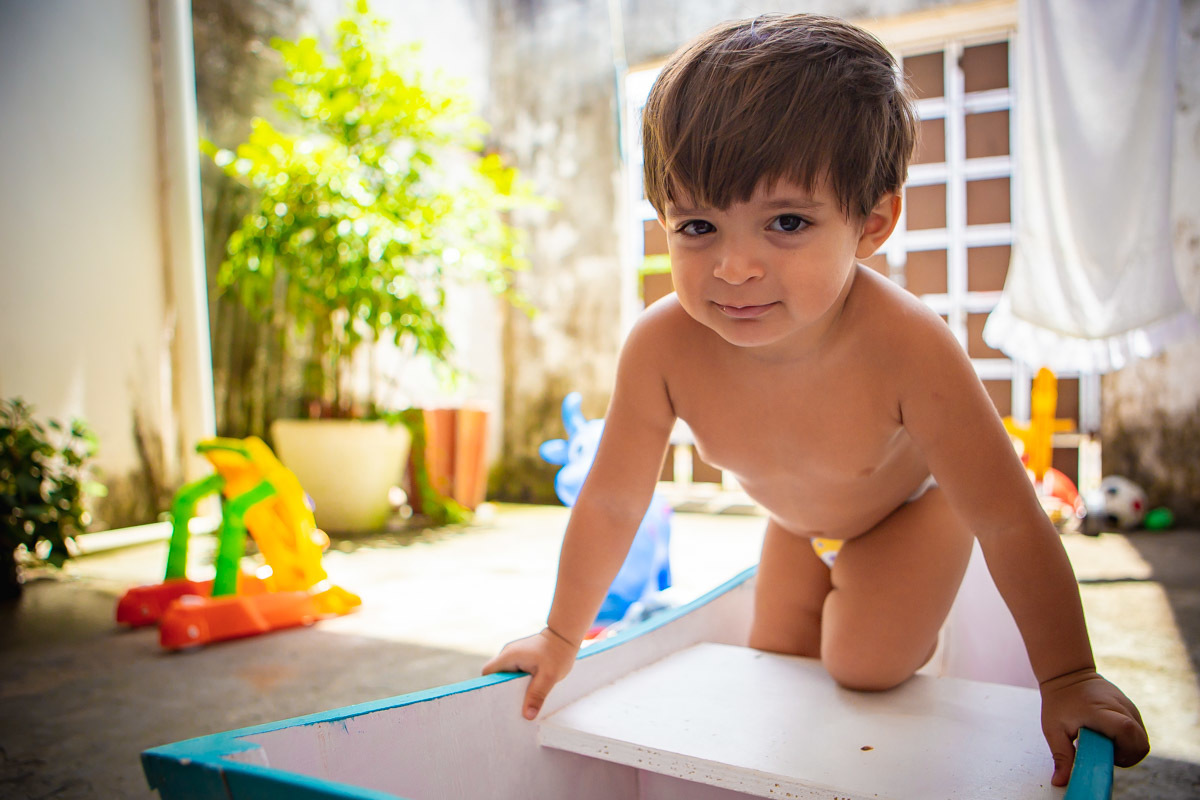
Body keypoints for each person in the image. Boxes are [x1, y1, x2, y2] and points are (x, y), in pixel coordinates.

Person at [482, 13, 1149, 786]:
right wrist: (560, 637)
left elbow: (1007, 514)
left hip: (911, 514)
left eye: (787, 223)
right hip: (798, 526)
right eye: (697, 225)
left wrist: (1067, 677)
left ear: (873, 223)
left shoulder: (909, 346)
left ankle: (927, 614)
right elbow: (609, 503)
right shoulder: (661, 346)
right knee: (777, 674)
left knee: (860, 666)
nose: (733, 267)